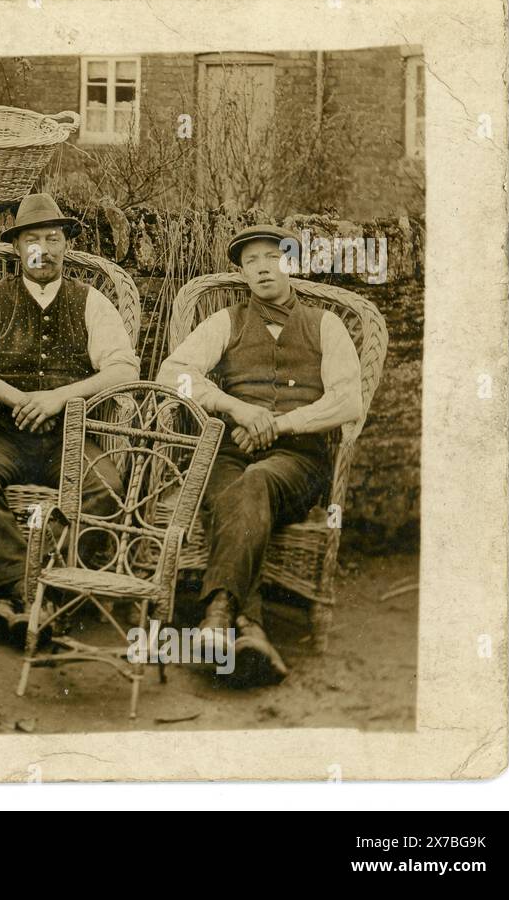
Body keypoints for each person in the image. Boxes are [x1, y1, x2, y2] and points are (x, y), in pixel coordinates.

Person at [157, 224, 362, 686]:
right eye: (252, 261)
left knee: (253, 483)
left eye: (274, 256)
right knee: (235, 484)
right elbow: (174, 373)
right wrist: (236, 408)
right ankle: (249, 628)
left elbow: (348, 401)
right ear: (242, 272)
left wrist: (277, 425)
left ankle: (218, 610)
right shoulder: (225, 322)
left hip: (298, 461)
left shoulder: (325, 325)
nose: (264, 267)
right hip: (231, 450)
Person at [0, 193, 141, 643]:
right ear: (16, 248)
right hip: (1, 436)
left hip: (68, 438)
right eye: (33, 239)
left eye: (53, 238)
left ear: (67, 245)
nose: (43, 249)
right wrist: (16, 398)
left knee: (106, 486)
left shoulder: (92, 302)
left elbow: (125, 368)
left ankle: (35, 590)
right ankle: (22, 587)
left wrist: (58, 399)